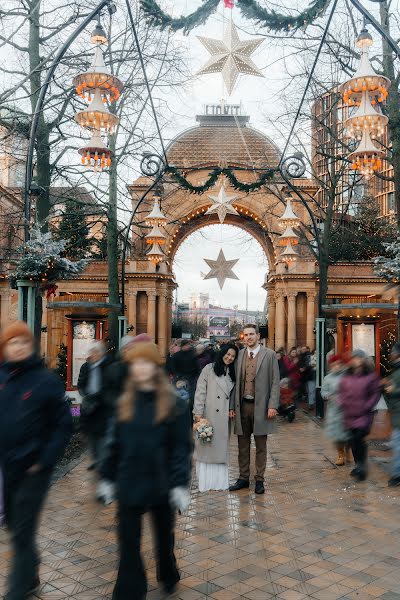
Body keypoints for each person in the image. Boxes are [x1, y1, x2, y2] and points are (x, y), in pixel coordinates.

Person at [101, 341, 191, 600]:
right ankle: (130, 589)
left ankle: (168, 572)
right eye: (136, 364)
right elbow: (114, 443)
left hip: (160, 483)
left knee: (164, 539)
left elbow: (180, 449)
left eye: (146, 363)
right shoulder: (124, 403)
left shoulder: (172, 404)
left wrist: (180, 484)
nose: (140, 369)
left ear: (155, 366)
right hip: (129, 482)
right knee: (128, 543)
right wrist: (107, 477)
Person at [0, 321, 72, 600]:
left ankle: (16, 592)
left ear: (30, 346)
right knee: (15, 525)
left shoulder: (46, 380)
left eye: (22, 342)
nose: (17, 347)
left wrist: (44, 460)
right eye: (11, 343)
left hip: (34, 469)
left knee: (21, 530)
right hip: (7, 468)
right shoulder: (2, 378)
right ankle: (30, 572)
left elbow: (63, 425)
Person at [230, 324, 280, 494]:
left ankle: (259, 479)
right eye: (246, 335)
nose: (249, 337)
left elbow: (275, 382)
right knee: (242, 445)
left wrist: (273, 405)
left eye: (252, 334)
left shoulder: (270, 355)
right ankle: (243, 478)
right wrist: (232, 406)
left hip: (261, 407)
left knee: (261, 445)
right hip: (242, 406)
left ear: (258, 336)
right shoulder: (239, 355)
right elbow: (234, 384)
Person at [193, 343, 238, 492]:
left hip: (223, 417)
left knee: (220, 450)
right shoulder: (209, 369)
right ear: (222, 353)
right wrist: (198, 413)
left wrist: (232, 408)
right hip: (208, 416)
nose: (230, 358)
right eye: (228, 354)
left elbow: (233, 395)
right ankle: (205, 483)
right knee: (206, 448)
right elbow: (200, 391)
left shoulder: (233, 372)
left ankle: (219, 482)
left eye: (233, 356)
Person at [337, 349, 381, 482]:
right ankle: (359, 465)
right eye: (353, 358)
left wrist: (367, 406)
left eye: (357, 358)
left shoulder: (371, 376)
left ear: (362, 360)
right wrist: (342, 402)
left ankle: (362, 465)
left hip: (364, 414)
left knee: (358, 438)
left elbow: (375, 393)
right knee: (352, 441)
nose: (354, 360)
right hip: (349, 414)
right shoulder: (347, 375)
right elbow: (342, 392)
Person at [77, 340, 113, 472]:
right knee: (91, 435)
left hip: (103, 405)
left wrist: (100, 397)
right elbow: (80, 384)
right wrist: (86, 394)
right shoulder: (85, 367)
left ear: (102, 353)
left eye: (96, 352)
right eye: (92, 352)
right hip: (89, 405)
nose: (93, 354)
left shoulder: (108, 366)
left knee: (102, 435)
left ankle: (103, 461)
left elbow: (109, 386)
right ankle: (96, 459)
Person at [322, 355, 351, 466]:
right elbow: (323, 392)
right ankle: (340, 454)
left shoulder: (347, 376)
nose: (336, 366)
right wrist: (328, 396)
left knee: (348, 433)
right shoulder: (327, 378)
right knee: (336, 434)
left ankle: (348, 451)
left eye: (338, 364)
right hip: (334, 410)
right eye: (334, 364)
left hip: (347, 409)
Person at [383, 342, 400, 487]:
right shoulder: (396, 369)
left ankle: (396, 475)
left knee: (397, 445)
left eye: (393, 352)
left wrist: (393, 389)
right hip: (396, 414)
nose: (391, 354)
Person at [169, 340, 200, 409]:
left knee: (190, 395)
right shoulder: (178, 355)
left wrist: (197, 375)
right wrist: (176, 375)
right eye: (187, 345)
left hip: (190, 377)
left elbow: (197, 366)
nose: (188, 346)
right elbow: (173, 366)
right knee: (179, 394)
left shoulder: (192, 354)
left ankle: (189, 408)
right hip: (180, 378)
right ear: (183, 346)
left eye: (188, 345)